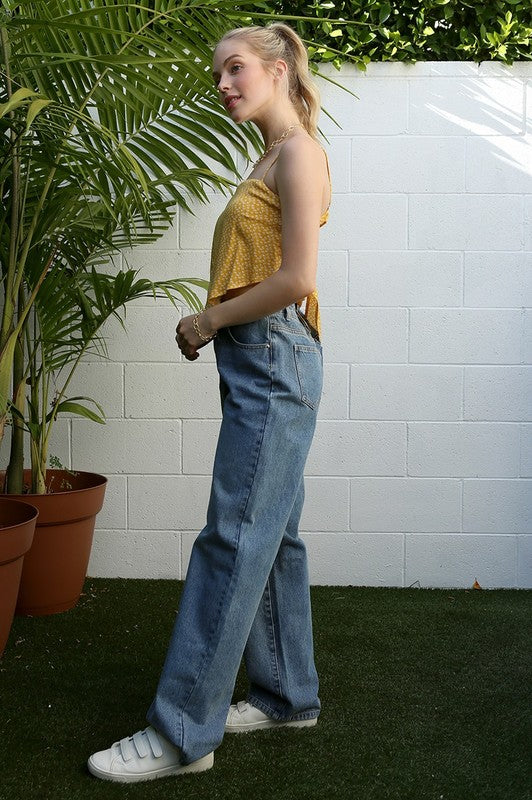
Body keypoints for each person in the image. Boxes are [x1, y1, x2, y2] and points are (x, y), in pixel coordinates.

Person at [87, 21, 331, 783]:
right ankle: (288, 695)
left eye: (234, 69)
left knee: (233, 538)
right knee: (272, 536)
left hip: (271, 355)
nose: (222, 84)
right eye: (218, 73)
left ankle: (180, 735)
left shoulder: (298, 154)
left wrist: (207, 317)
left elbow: (295, 279)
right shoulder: (270, 154)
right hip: (262, 359)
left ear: (278, 67)